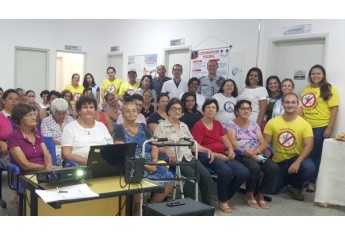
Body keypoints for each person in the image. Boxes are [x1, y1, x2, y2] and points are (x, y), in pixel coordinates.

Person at [112, 102, 174, 215]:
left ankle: (149, 208)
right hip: (132, 163)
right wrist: (143, 166)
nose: (131, 113)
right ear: (123, 114)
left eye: (134, 110)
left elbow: (154, 143)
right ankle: (136, 212)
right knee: (137, 190)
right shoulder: (119, 129)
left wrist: (154, 161)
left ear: (137, 113)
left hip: (151, 162)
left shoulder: (142, 126)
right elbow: (121, 151)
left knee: (170, 180)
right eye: (128, 111)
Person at [192, 99, 250, 213]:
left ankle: (224, 197)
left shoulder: (217, 124)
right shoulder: (198, 125)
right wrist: (216, 154)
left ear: (216, 111)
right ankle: (223, 201)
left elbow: (225, 139)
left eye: (213, 107)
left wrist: (230, 149)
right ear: (203, 111)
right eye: (208, 107)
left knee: (244, 172)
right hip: (207, 155)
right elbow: (194, 146)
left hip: (223, 154)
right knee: (226, 171)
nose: (211, 110)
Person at [154, 98, 214, 206]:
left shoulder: (184, 126)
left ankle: (208, 207)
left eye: (179, 109)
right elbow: (156, 145)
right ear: (168, 111)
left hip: (188, 157)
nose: (177, 111)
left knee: (206, 175)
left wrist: (206, 149)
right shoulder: (162, 126)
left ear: (182, 112)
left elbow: (192, 145)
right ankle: (189, 207)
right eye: (174, 109)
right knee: (192, 176)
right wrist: (166, 151)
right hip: (174, 159)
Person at [226, 100, 279, 209]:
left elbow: (263, 143)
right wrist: (250, 155)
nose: (246, 111)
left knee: (273, 167)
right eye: (243, 108)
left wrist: (255, 153)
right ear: (237, 111)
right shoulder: (232, 124)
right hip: (240, 154)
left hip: (256, 153)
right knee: (254, 167)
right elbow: (233, 144)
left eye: (248, 108)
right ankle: (250, 194)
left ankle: (261, 193)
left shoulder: (254, 125)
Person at [264, 93, 316, 201]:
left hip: (296, 159)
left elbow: (309, 145)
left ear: (297, 105)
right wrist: (267, 159)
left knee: (309, 167)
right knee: (272, 191)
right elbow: (266, 143)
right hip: (278, 161)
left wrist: (297, 162)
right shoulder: (272, 122)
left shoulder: (305, 124)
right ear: (282, 104)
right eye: (287, 102)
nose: (290, 105)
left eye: (293, 102)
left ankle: (296, 187)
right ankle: (286, 182)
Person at [301, 64, 339, 192]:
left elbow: (334, 109)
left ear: (323, 75)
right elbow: (302, 107)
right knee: (305, 153)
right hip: (305, 127)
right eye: (313, 73)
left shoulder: (328, 88)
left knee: (315, 154)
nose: (315, 75)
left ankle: (312, 182)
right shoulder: (306, 88)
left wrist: (329, 128)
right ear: (310, 76)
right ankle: (304, 179)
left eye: (318, 73)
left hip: (320, 127)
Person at [61, 96, 113, 166]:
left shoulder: (101, 126)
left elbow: (111, 147)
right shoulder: (70, 128)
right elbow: (65, 154)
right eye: (85, 107)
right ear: (79, 111)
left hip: (103, 164)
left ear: (95, 110)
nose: (88, 110)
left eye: (91, 107)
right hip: (80, 166)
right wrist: (89, 161)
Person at [8, 103, 54, 174]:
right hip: (27, 174)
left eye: (34, 114)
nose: (33, 117)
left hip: (45, 170)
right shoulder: (13, 137)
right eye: (29, 115)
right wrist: (45, 167)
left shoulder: (37, 134)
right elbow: (25, 165)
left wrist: (49, 167)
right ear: (20, 119)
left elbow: (47, 155)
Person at [41, 98, 74, 166]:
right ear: (53, 111)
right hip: (55, 147)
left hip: (71, 146)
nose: (62, 116)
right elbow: (48, 139)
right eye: (59, 114)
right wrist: (62, 143)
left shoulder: (70, 119)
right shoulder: (46, 121)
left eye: (64, 113)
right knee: (66, 156)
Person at [0, 89, 19, 164]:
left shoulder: (23, 117)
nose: (14, 101)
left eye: (16, 99)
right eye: (10, 98)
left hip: (23, 149)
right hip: (5, 152)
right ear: (3, 101)